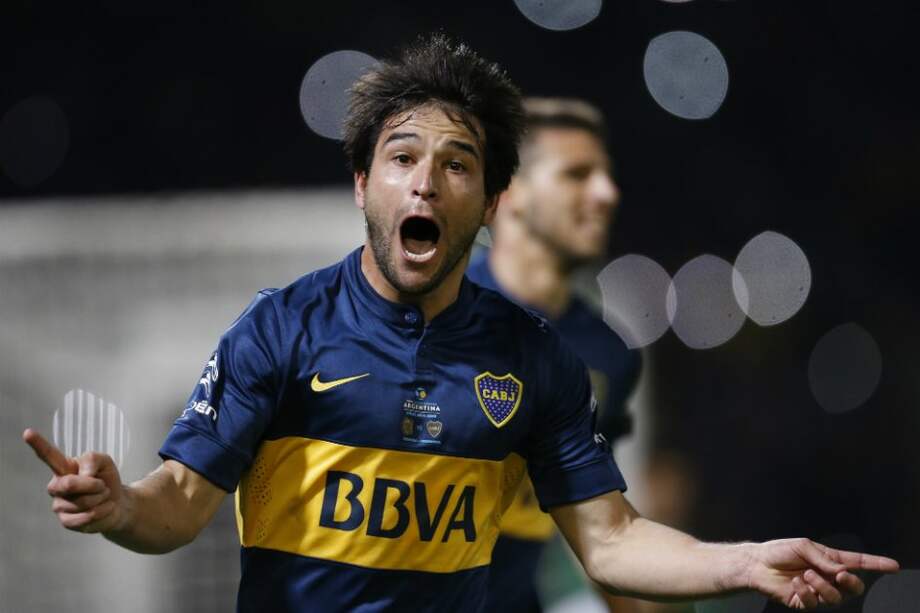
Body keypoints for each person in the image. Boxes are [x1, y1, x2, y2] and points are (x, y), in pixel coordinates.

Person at [23, 33, 898, 613]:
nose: (426, 182)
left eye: (458, 164)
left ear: (488, 207)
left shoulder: (534, 358)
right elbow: (178, 502)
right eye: (401, 157)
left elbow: (613, 538)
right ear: (362, 186)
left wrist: (740, 562)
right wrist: (119, 505)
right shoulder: (280, 329)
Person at [466, 98, 642, 612]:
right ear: (512, 190)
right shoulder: (436, 313)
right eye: (577, 174)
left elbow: (596, 524)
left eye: (606, 176)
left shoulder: (609, 356)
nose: (607, 194)